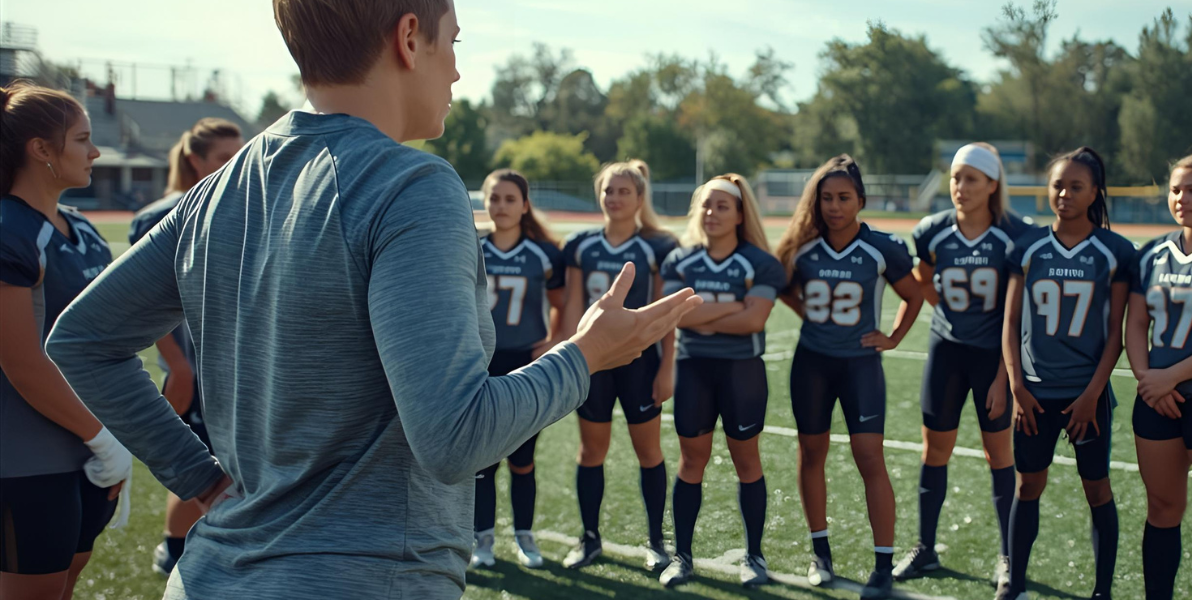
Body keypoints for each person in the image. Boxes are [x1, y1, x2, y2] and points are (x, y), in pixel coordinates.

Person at [43, 2, 701, 599]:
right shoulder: (411, 184)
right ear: (409, 38)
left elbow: (83, 340)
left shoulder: (223, 185)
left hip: (210, 576)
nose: (458, 73)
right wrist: (586, 355)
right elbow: (455, 437)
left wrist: (199, 476)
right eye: (453, 44)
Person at [775, 154, 924, 599]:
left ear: (861, 199)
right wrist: (807, 314)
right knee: (811, 453)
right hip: (812, 363)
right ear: (815, 201)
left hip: (860, 365)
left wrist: (894, 337)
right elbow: (782, 286)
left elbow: (913, 295)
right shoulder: (802, 246)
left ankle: (882, 563)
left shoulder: (883, 247)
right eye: (826, 198)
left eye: (843, 197)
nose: (834, 206)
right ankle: (821, 553)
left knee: (869, 456)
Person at [0, 81, 128, 600]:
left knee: (64, 586)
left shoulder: (82, 229)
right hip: (27, 460)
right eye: (82, 138)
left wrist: (113, 437)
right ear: (41, 149)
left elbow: (108, 340)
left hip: (87, 452)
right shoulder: (10, 230)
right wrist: (102, 438)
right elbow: (21, 361)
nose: (95, 151)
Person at [895, 143, 1031, 592]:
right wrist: (952, 314)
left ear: (993, 185)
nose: (960, 187)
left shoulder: (1015, 235)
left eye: (971, 178)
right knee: (934, 451)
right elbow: (925, 282)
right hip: (947, 350)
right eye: (956, 177)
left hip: (993, 356)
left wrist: (1005, 378)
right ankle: (926, 548)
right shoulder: (932, 231)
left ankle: (1009, 556)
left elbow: (1021, 315)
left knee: (999, 455)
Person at [999, 147, 1133, 600]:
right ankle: (1015, 584)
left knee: (1096, 489)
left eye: (1076, 187)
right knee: (1027, 484)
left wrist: (1093, 394)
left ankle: (1102, 591)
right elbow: (1011, 323)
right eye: (1058, 185)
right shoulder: (1028, 246)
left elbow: (1115, 333)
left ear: (1095, 191)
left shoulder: (1114, 251)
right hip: (1035, 394)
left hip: (1085, 395)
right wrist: (1017, 386)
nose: (1065, 194)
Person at [127, 117, 244, 577]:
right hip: (193, 362)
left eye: (240, 156)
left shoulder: (242, 203)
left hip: (231, 358)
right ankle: (175, 547)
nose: (235, 167)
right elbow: (139, 301)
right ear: (196, 161)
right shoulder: (161, 215)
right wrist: (178, 365)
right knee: (203, 459)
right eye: (223, 158)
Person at [656, 174, 785, 588]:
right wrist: (732, 303)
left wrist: (702, 310)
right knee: (691, 460)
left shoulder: (761, 262)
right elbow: (678, 316)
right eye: (706, 205)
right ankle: (683, 556)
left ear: (740, 213)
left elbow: (755, 319)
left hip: (741, 371)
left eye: (722, 206)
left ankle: (755, 556)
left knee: (747, 461)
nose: (711, 213)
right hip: (694, 368)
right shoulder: (681, 260)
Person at [560, 161, 680, 571]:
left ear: (640, 198)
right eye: (608, 191)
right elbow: (574, 306)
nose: (614, 198)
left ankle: (655, 541)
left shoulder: (658, 247)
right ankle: (589, 538)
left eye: (623, 192)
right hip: (592, 362)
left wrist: (667, 368)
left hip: (640, 363)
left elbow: (666, 315)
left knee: (648, 451)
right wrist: (567, 356)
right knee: (591, 449)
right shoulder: (581, 245)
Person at [470, 169, 565, 570]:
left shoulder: (543, 254)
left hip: (526, 361)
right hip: (480, 362)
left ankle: (525, 535)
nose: (501, 206)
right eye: (494, 198)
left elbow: (563, 303)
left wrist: (552, 342)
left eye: (510, 199)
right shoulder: (471, 247)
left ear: (525, 205)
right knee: (481, 460)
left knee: (523, 458)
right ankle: (482, 540)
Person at [1125, 153, 1192, 600]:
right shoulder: (1152, 251)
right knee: (1163, 507)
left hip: (1187, 391)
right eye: (1176, 189)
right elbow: (1135, 324)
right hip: (1157, 399)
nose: (1182, 198)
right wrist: (1146, 377)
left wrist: (1167, 376)